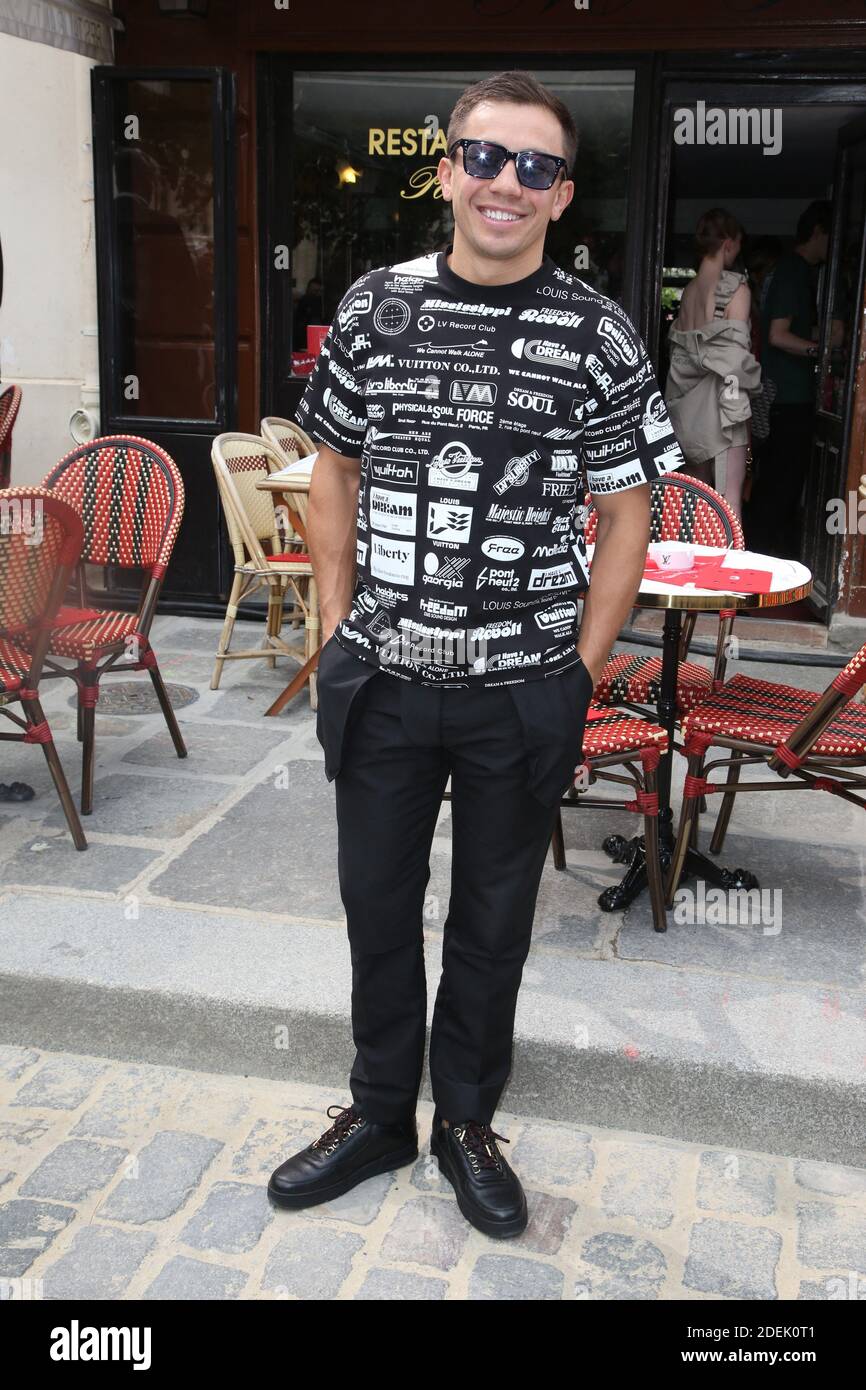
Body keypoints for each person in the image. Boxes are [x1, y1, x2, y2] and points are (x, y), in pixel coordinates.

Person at [268, 69, 686, 1239]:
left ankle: (463, 1121)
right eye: (487, 158)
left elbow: (625, 514)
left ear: (559, 194)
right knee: (374, 902)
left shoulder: (596, 333)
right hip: (384, 679)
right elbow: (331, 472)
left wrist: (579, 671)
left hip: (522, 689)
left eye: (537, 167)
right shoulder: (373, 308)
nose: (507, 183)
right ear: (447, 170)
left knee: (495, 915)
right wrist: (340, 624)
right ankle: (372, 1114)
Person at [663, 208, 762, 525]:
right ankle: (730, 569)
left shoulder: (689, 292)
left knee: (697, 502)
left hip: (688, 414)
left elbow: (684, 357)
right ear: (729, 244)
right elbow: (734, 363)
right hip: (723, 408)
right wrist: (738, 415)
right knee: (729, 504)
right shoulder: (736, 290)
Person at [752, 200, 831, 558]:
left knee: (772, 485)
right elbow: (779, 335)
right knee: (780, 489)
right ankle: (772, 567)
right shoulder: (794, 271)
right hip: (788, 396)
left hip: (779, 395)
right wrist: (823, 351)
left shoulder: (783, 271)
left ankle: (764, 560)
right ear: (818, 232)